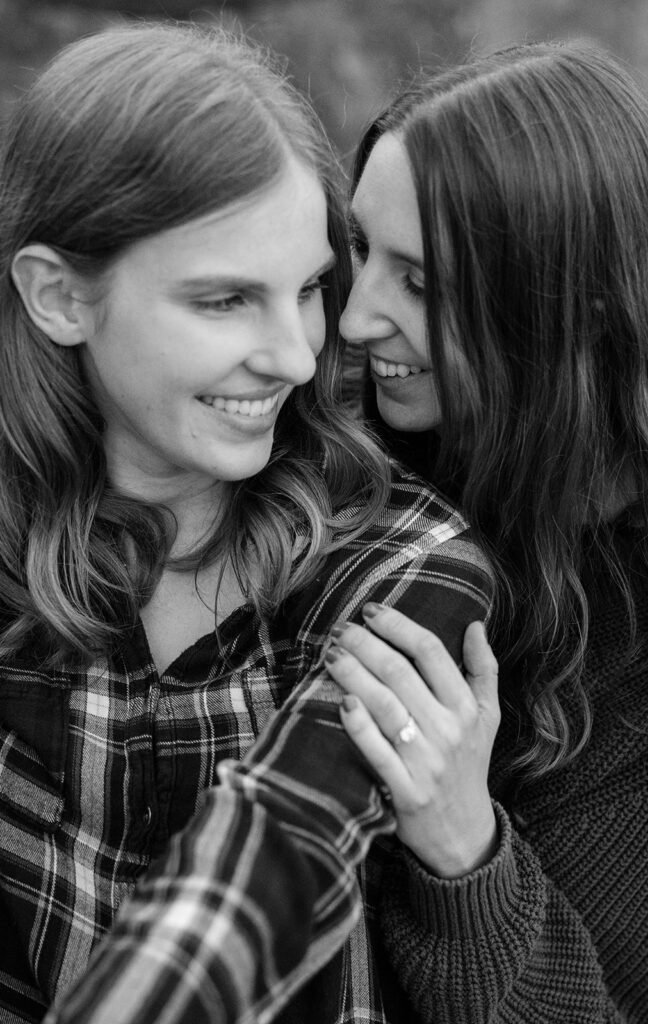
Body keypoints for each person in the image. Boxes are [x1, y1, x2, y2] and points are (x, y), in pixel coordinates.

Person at [40, 38, 648, 1024]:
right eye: (359, 253)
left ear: (567, 308)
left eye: (422, 282)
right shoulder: (323, 426)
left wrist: (462, 846)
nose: (354, 323)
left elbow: (610, 1008)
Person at [0, 22, 495, 1024]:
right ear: (59, 297)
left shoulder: (400, 558)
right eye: (225, 300)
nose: (298, 358)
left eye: (307, 289)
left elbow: (266, 858)